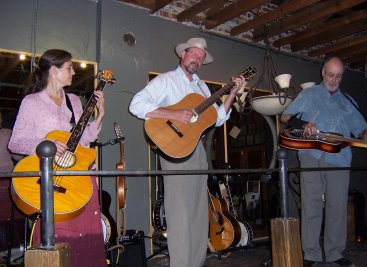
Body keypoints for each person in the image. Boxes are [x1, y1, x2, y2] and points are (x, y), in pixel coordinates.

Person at [129, 37, 245, 267]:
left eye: (202, 57)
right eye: (194, 54)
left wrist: (231, 93)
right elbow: (136, 104)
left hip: (198, 152)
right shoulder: (167, 81)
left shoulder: (202, 87)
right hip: (176, 152)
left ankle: (197, 262)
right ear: (183, 54)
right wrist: (174, 114)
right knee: (180, 214)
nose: (198, 59)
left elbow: (218, 118)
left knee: (198, 212)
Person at [8, 49, 107, 267]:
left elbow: (83, 141)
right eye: (69, 67)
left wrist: (99, 115)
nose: (73, 71)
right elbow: (15, 142)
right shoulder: (32, 102)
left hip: (78, 177)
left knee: (87, 233)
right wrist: (46, 145)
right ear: (54, 70)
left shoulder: (73, 100)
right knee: (56, 232)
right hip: (51, 176)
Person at [281, 57, 367, 267]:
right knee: (311, 204)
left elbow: (359, 128)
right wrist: (305, 124)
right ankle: (311, 254)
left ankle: (335, 253)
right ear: (323, 73)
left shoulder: (348, 101)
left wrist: (366, 133)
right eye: (330, 74)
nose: (334, 80)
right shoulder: (308, 94)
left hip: (340, 158)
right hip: (311, 155)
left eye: (338, 76)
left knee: (337, 206)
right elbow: (285, 117)